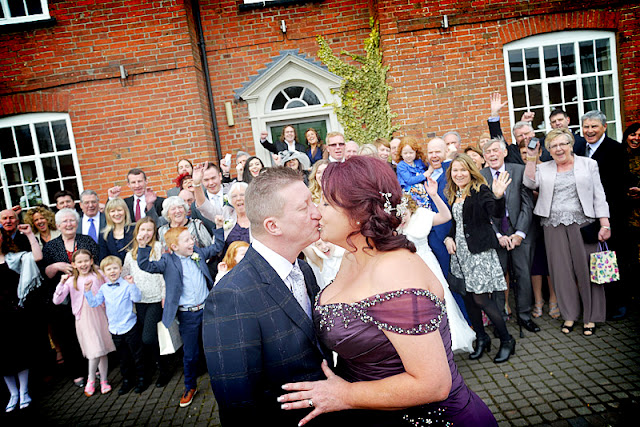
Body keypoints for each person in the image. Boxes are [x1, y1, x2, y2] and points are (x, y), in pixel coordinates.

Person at [277, 156, 497, 426]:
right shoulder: (353, 257)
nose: (316, 212)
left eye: (324, 203)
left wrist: (346, 394)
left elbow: (433, 383)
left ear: (358, 212)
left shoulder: (396, 272)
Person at [203, 167, 341, 426]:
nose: (317, 213)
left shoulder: (303, 269)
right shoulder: (231, 296)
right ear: (273, 225)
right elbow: (238, 406)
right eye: (304, 208)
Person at [524, 129, 610, 336]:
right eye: (553, 146)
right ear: (549, 150)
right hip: (552, 225)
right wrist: (531, 158)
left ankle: (591, 316)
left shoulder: (588, 164)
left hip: (583, 224)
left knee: (587, 272)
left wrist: (605, 224)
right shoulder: (544, 168)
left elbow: (599, 194)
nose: (558, 149)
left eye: (562, 144)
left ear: (571, 145)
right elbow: (529, 183)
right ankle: (570, 314)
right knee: (561, 273)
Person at [137, 222, 224, 408]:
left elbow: (217, 246)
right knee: (190, 354)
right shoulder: (168, 261)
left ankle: (225, 381)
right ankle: (189, 386)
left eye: (191, 238)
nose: (192, 242)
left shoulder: (198, 254)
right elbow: (146, 266)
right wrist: (143, 246)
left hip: (208, 310)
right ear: (174, 247)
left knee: (216, 348)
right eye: (187, 240)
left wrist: (218, 227)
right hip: (188, 316)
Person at [443, 153, 516, 363]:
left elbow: (495, 213)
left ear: (471, 171)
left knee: (481, 298)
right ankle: (482, 338)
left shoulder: (480, 190)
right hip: (461, 256)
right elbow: (457, 223)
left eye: (463, 170)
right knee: (468, 298)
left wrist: (499, 196)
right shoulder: (455, 193)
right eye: (455, 170)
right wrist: (449, 238)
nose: (459, 174)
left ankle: (506, 340)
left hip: (479, 254)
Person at [397, 182, 476, 354]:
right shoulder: (393, 225)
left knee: (439, 301)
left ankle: (449, 339)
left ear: (410, 208)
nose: (401, 219)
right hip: (405, 269)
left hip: (427, 264)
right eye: (398, 216)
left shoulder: (422, 215)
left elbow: (446, 216)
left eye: (404, 214)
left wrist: (434, 195)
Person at [480, 138, 540, 333]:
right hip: (496, 235)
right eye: (488, 152)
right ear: (484, 157)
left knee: (523, 275)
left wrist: (519, 233)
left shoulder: (519, 170)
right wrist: (497, 234)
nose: (492, 154)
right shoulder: (480, 177)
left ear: (505, 152)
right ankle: (501, 320)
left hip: (520, 231)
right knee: (498, 279)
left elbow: (527, 204)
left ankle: (524, 316)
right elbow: (483, 211)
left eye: (496, 150)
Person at [42, 208, 99, 387]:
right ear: (58, 226)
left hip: (85, 295)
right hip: (64, 299)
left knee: (87, 332)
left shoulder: (86, 241)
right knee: (68, 336)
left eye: (72, 221)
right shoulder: (51, 246)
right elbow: (46, 274)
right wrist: (57, 266)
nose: (69, 224)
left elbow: (95, 263)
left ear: (77, 222)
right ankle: (76, 372)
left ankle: (94, 368)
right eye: (64, 222)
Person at [581, 110, 628, 320]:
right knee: (596, 260)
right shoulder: (581, 150)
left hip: (611, 215)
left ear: (604, 127)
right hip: (588, 216)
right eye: (586, 127)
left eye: (594, 126)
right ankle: (601, 304)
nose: (589, 131)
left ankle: (619, 304)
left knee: (615, 259)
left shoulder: (616, 150)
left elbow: (619, 187)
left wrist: (606, 220)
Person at [53, 249, 116, 397]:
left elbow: (112, 286)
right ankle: (91, 379)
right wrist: (61, 283)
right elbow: (57, 300)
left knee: (102, 350)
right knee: (94, 350)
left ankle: (104, 380)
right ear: (74, 264)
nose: (83, 264)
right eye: (79, 262)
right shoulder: (71, 281)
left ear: (92, 260)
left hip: (101, 315)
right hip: (84, 318)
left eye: (86, 260)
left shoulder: (99, 275)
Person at [84, 256, 147, 395]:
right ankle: (127, 381)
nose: (112, 271)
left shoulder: (126, 284)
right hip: (115, 329)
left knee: (137, 355)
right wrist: (87, 291)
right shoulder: (103, 288)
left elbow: (136, 298)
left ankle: (142, 379)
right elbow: (94, 303)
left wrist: (132, 285)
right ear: (104, 272)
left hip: (130, 326)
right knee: (123, 357)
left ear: (120, 270)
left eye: (115, 268)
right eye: (108, 269)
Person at [121, 217, 171, 388]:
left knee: (149, 337)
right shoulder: (130, 254)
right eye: (143, 229)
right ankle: (158, 369)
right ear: (137, 232)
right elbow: (124, 274)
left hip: (156, 299)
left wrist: (165, 295)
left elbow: (164, 274)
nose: (146, 233)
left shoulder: (158, 248)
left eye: (150, 230)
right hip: (139, 301)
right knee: (148, 339)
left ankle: (164, 369)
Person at [1, 223, 42, 412]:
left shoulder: (13, 258)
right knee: (2, 357)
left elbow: (37, 257)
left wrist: (30, 235)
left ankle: (24, 391)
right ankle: (13, 394)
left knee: (19, 353)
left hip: (14, 312)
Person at [622, 123, 640, 308]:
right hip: (626, 214)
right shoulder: (620, 155)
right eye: (633, 134)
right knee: (629, 258)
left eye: (639, 135)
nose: (636, 138)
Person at [395, 136, 430, 208]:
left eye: (411, 153)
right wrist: (424, 175)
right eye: (405, 153)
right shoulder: (401, 166)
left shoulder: (419, 162)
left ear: (416, 152)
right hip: (410, 194)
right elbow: (409, 180)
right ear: (401, 153)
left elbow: (429, 167)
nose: (408, 155)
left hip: (423, 193)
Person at [99, 198, 134, 263]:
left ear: (125, 211)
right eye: (112, 211)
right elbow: (103, 259)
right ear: (108, 214)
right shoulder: (104, 236)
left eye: (119, 210)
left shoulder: (135, 230)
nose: (116, 214)